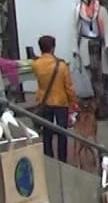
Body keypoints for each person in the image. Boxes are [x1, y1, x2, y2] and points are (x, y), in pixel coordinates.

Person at [32, 35, 77, 163]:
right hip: (61, 102)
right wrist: (73, 103)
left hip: (44, 102)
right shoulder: (62, 66)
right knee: (62, 132)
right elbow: (69, 87)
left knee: (47, 132)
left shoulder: (36, 65)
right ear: (53, 48)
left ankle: (48, 159)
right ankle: (62, 160)